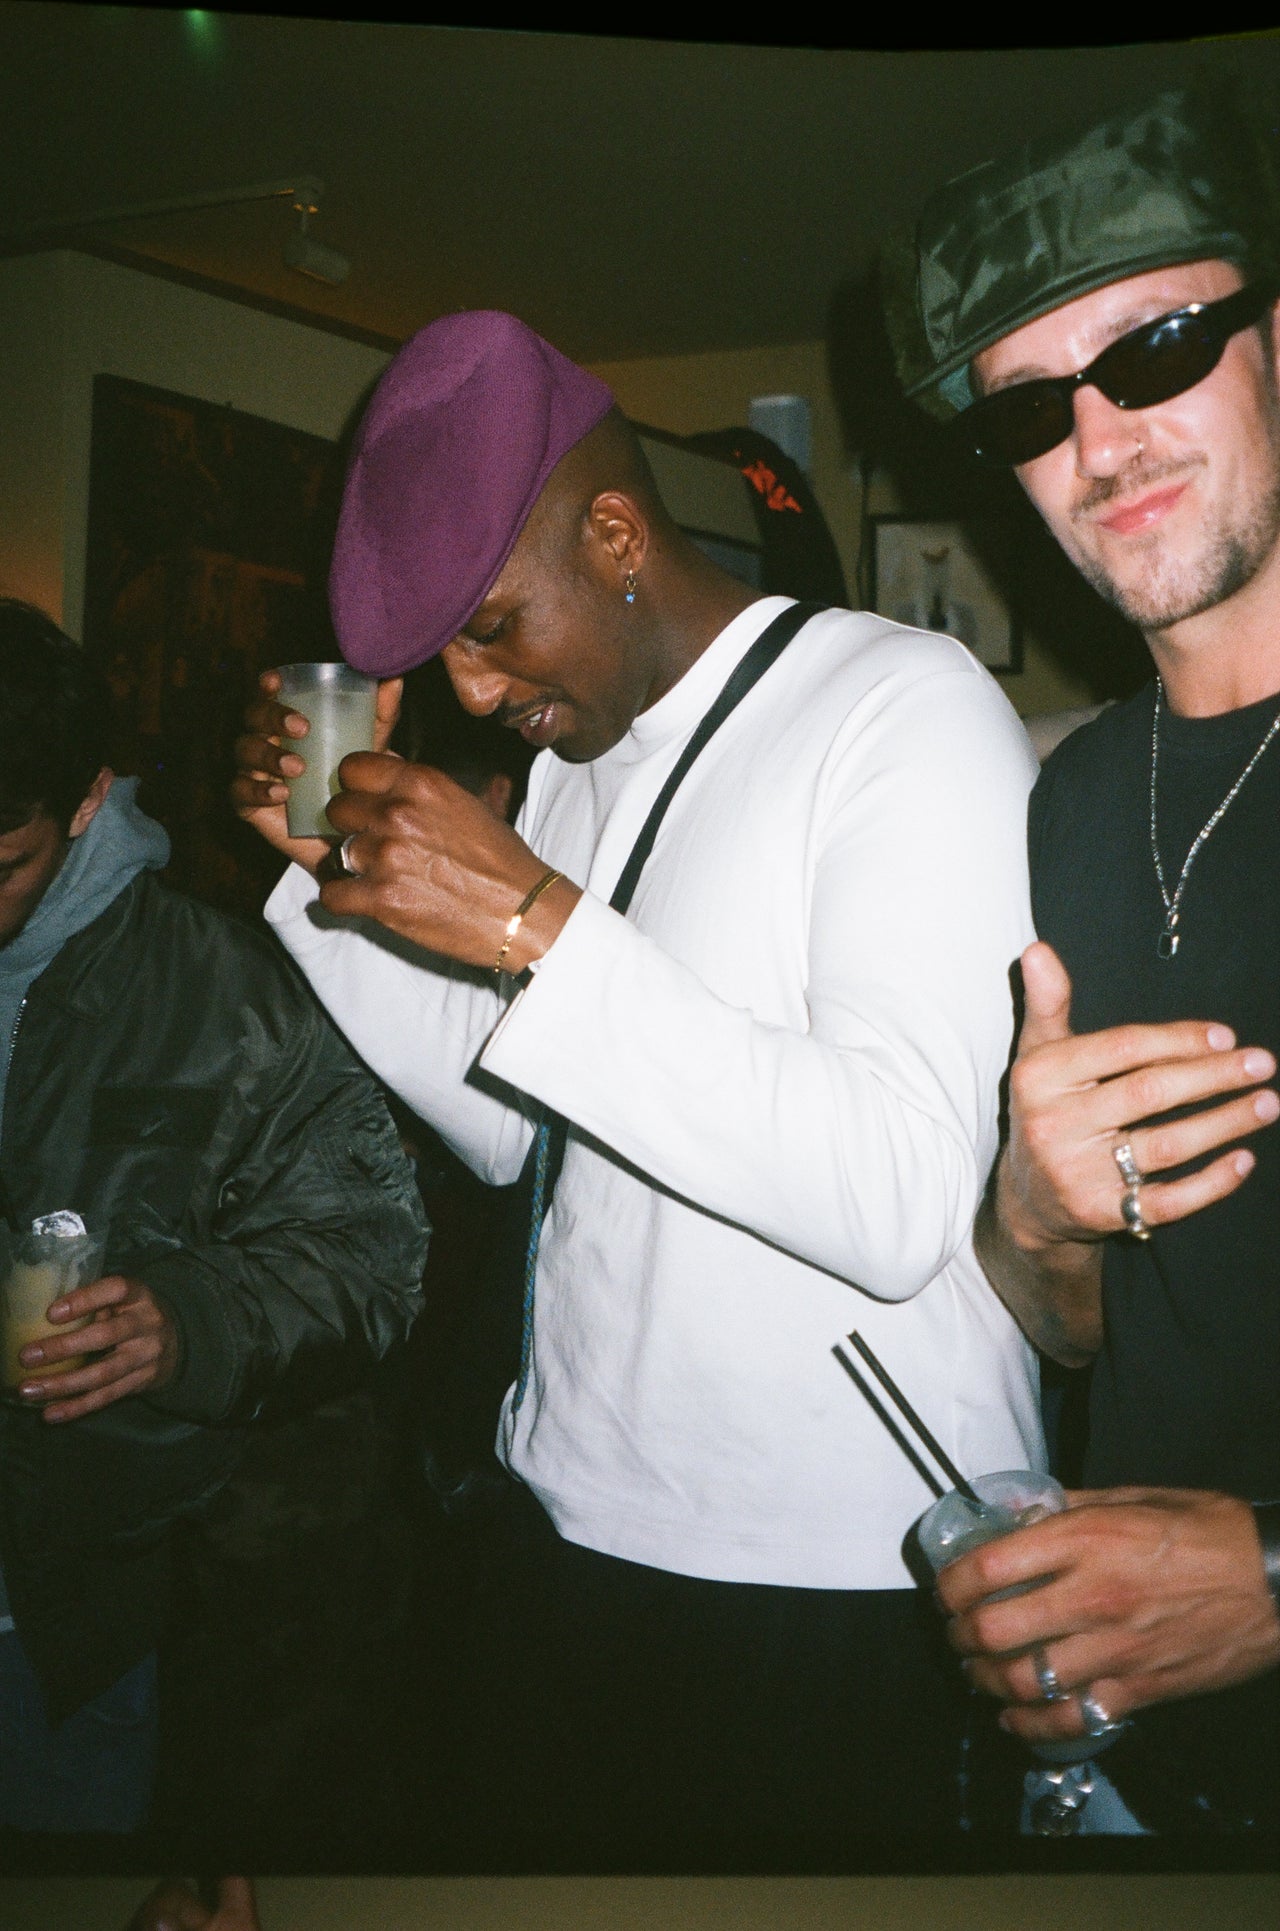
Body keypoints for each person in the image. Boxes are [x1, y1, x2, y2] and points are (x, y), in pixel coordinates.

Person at [232, 308, 1043, 1868]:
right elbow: (517, 1132)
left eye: (491, 627)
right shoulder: (574, 770)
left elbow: (899, 1197)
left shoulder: (901, 705)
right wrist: (324, 887)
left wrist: (536, 921)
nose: (471, 691)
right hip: (562, 1528)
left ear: (613, 534)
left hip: (831, 1582)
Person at [884, 80, 1280, 1834]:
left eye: (1158, 347)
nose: (1102, 444)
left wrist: (1270, 1571)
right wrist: (1037, 1220)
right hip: (1150, 1780)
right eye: (1034, 407)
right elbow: (1084, 1321)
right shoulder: (1065, 805)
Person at [0, 601, 428, 1842]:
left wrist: (183, 1323)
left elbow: (369, 1256)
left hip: (75, 1624)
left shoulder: (228, 992)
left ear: (88, 800)